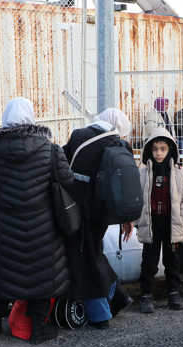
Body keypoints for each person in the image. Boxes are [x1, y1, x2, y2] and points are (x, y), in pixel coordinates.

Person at [0, 98, 73, 343]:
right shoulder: (50, 148)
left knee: (1, 275)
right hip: (43, 224)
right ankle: (39, 329)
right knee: (42, 275)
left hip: (4, 222)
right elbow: (67, 180)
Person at [62, 108, 135, 330]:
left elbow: (62, 166)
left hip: (74, 209)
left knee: (85, 258)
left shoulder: (78, 137)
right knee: (93, 253)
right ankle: (116, 296)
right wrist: (127, 217)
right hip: (103, 212)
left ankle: (100, 314)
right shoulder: (120, 145)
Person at [136, 128, 183, 313]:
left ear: (170, 149)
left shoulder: (181, 173)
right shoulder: (143, 173)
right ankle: (146, 296)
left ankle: (174, 294)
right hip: (152, 224)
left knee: (173, 261)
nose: (159, 153)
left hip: (172, 224)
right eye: (154, 149)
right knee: (149, 262)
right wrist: (138, 221)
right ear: (149, 150)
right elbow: (137, 198)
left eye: (163, 148)